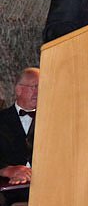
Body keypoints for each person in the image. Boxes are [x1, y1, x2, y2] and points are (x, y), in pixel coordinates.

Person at [0, 68, 39, 206]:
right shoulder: (2, 119)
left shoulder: (54, 121)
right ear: (18, 90)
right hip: (7, 189)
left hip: (46, 187)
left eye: (42, 88)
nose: (39, 92)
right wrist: (7, 170)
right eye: (35, 87)